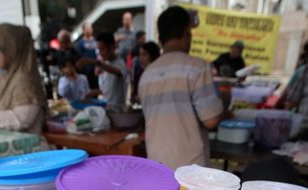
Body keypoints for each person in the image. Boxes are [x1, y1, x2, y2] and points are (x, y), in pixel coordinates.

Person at [139, 6, 225, 169]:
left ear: (160, 38)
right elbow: (211, 120)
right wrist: (225, 103)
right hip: (191, 172)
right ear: (187, 34)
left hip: (157, 168)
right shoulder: (197, 67)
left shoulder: (147, 75)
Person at [84, 33, 127, 106]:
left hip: (117, 110)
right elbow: (107, 87)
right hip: (105, 106)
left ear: (112, 47)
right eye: (99, 50)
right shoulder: (105, 63)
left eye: (102, 49)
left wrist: (93, 62)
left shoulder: (120, 63)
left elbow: (116, 71)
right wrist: (96, 92)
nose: (100, 53)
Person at [75, 23, 99, 89]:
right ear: (83, 30)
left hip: (96, 69)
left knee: (95, 87)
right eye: (87, 29)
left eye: (90, 28)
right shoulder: (80, 43)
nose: (89, 30)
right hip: (85, 70)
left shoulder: (96, 41)